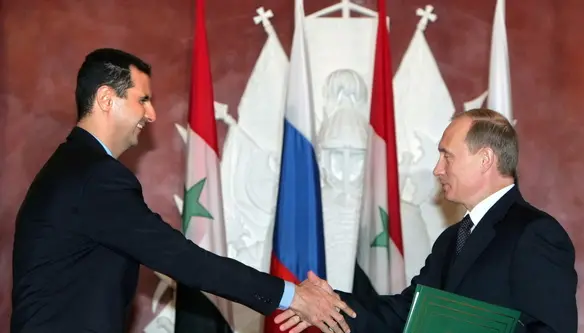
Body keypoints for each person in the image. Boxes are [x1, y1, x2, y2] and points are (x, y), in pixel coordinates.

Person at [10, 48, 355, 333]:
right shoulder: (95, 175)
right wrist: (292, 296)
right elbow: (183, 259)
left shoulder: (74, 166)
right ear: (105, 98)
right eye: (142, 100)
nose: (152, 113)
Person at [275, 108, 578, 333]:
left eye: (448, 156)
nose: (437, 170)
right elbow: (406, 313)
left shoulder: (535, 233)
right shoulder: (451, 239)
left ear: (485, 159)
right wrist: (327, 303)